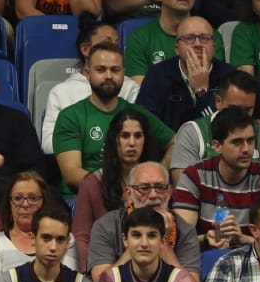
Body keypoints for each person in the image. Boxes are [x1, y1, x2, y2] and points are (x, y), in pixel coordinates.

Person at [52, 42, 174, 193]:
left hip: (136, 197)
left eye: (115, 70)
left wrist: (158, 173)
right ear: (88, 73)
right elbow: (71, 174)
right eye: (101, 70)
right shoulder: (71, 116)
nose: (108, 76)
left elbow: (175, 142)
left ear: (124, 73)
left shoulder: (136, 113)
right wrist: (117, 188)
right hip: (84, 197)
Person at [172, 107, 260, 243]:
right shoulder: (194, 177)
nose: (246, 149)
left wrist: (242, 239)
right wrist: (207, 238)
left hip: (255, 260)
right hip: (204, 259)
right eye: (237, 142)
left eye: (250, 141)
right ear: (217, 146)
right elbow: (181, 240)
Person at [41, 21, 139, 154]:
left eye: (116, 43)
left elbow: (139, 137)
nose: (114, 47)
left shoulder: (130, 88)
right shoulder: (61, 92)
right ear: (85, 49)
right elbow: (48, 145)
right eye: (107, 42)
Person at [170, 72, 260, 183]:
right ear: (218, 101)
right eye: (234, 108)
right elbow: (183, 188)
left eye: (247, 110)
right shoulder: (192, 133)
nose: (240, 115)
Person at [0, 174, 78, 282]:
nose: (25, 204)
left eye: (33, 198)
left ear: (44, 202)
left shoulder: (63, 238)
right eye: (18, 198)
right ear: (9, 203)